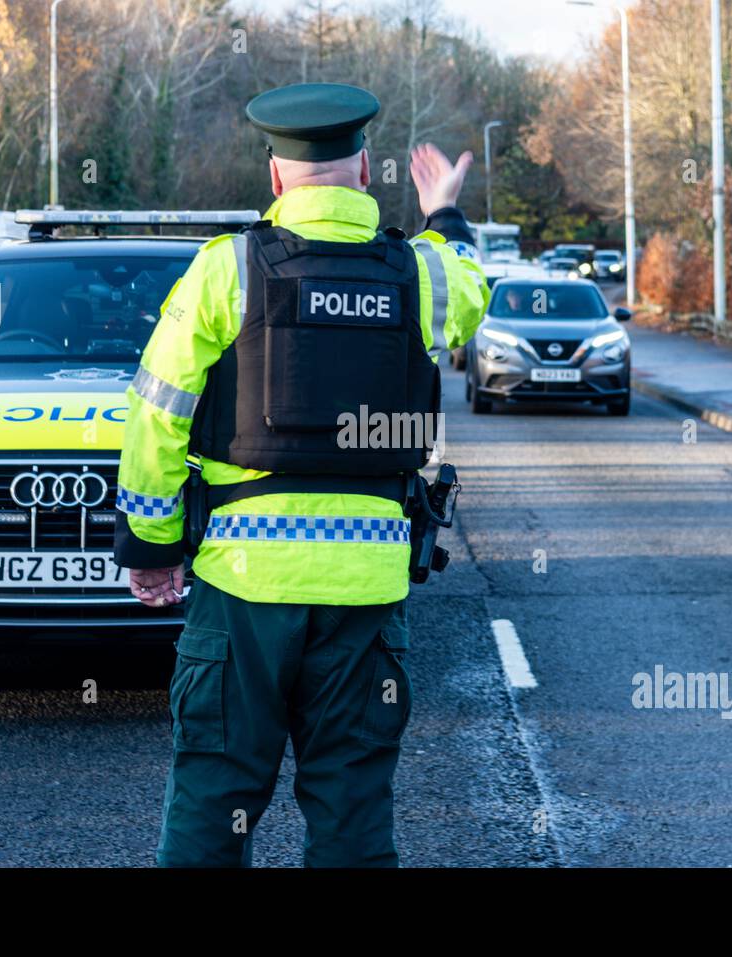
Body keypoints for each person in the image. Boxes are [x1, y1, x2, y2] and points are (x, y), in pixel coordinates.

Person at [113, 81, 489, 867]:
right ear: (363, 170)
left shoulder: (227, 270)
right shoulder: (420, 276)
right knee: (352, 809)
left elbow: (156, 413)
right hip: (366, 592)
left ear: (276, 178)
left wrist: (150, 548)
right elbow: (472, 287)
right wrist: (444, 211)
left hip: (242, 588)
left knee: (215, 799)